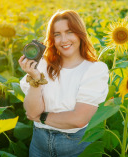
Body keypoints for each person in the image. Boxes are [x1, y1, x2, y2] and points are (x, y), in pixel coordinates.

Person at [19, 10, 109, 157]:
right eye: (57, 34)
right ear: (52, 39)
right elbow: (31, 111)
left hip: (74, 147)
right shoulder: (43, 64)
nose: (64, 39)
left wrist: (41, 117)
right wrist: (35, 77)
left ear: (80, 34)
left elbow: (79, 119)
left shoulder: (94, 69)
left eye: (69, 32)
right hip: (38, 144)